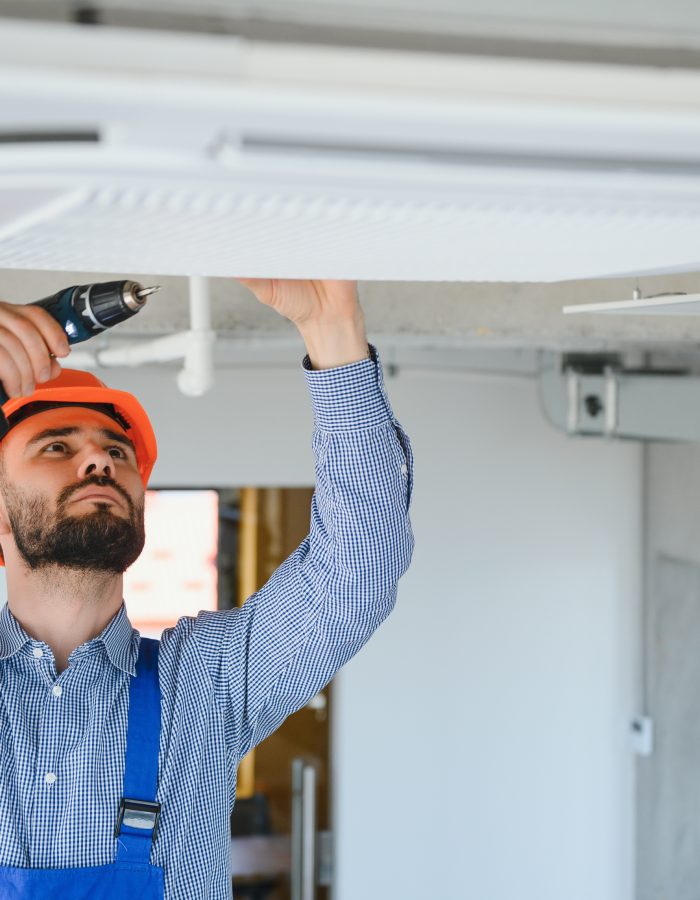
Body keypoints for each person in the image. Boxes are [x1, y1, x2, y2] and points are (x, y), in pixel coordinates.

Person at [0, 278, 414, 899]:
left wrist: (335, 333)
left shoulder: (204, 682)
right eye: (56, 446)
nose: (100, 462)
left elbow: (359, 569)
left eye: (117, 451)